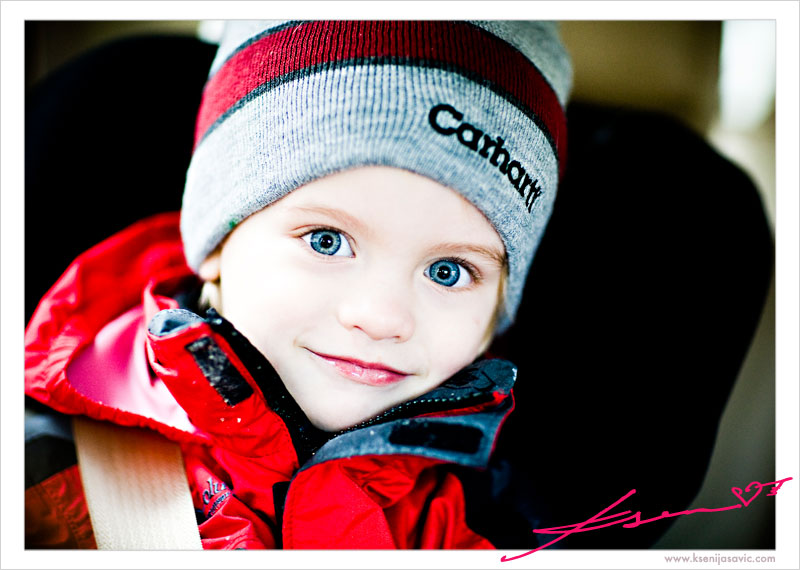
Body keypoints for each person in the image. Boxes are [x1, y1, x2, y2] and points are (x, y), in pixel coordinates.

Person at [25, 20, 572, 549]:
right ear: (216, 244)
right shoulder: (37, 475)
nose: (381, 317)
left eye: (446, 271)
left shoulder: (503, 521)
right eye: (326, 241)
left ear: (494, 315)